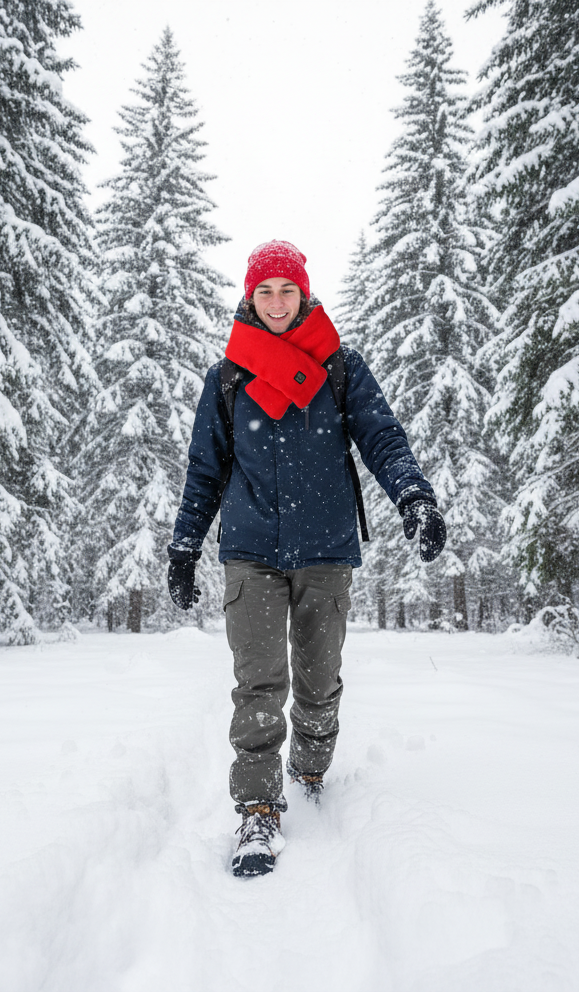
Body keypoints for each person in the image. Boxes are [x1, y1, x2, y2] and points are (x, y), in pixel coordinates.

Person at [167, 240, 445, 877]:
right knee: (259, 684)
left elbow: (382, 438)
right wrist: (185, 545)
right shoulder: (228, 378)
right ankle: (258, 813)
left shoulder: (341, 368)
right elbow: (204, 471)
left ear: (305, 293)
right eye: (264, 291)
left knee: (319, 683)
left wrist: (414, 498)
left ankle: (312, 766)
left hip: (324, 550)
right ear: (249, 296)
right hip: (250, 552)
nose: (275, 302)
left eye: (286, 290)